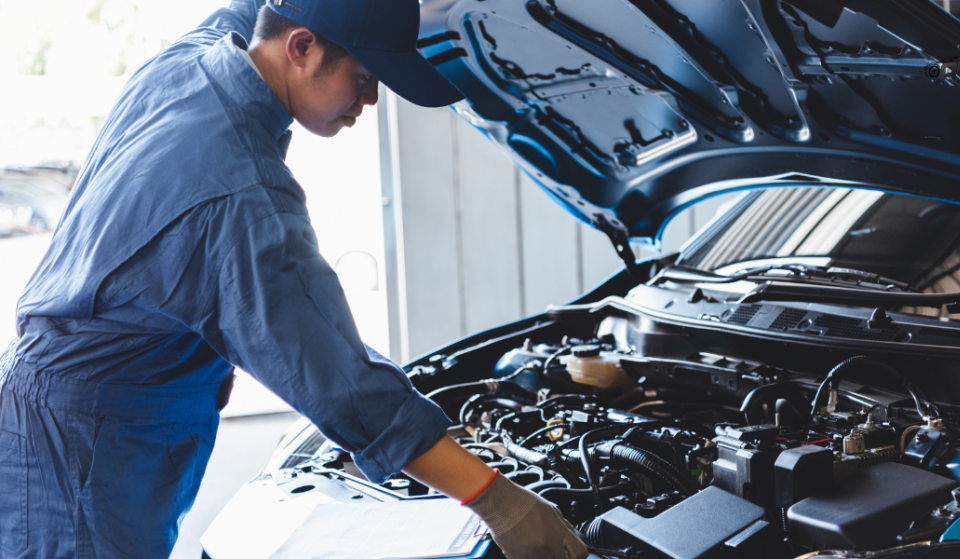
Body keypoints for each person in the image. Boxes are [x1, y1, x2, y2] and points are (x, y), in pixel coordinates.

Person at [0, 1, 588, 558]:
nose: (373, 98)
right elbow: (343, 380)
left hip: (80, 416)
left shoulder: (195, 60)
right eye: (363, 76)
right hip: (80, 452)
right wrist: (501, 502)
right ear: (301, 47)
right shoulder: (240, 198)